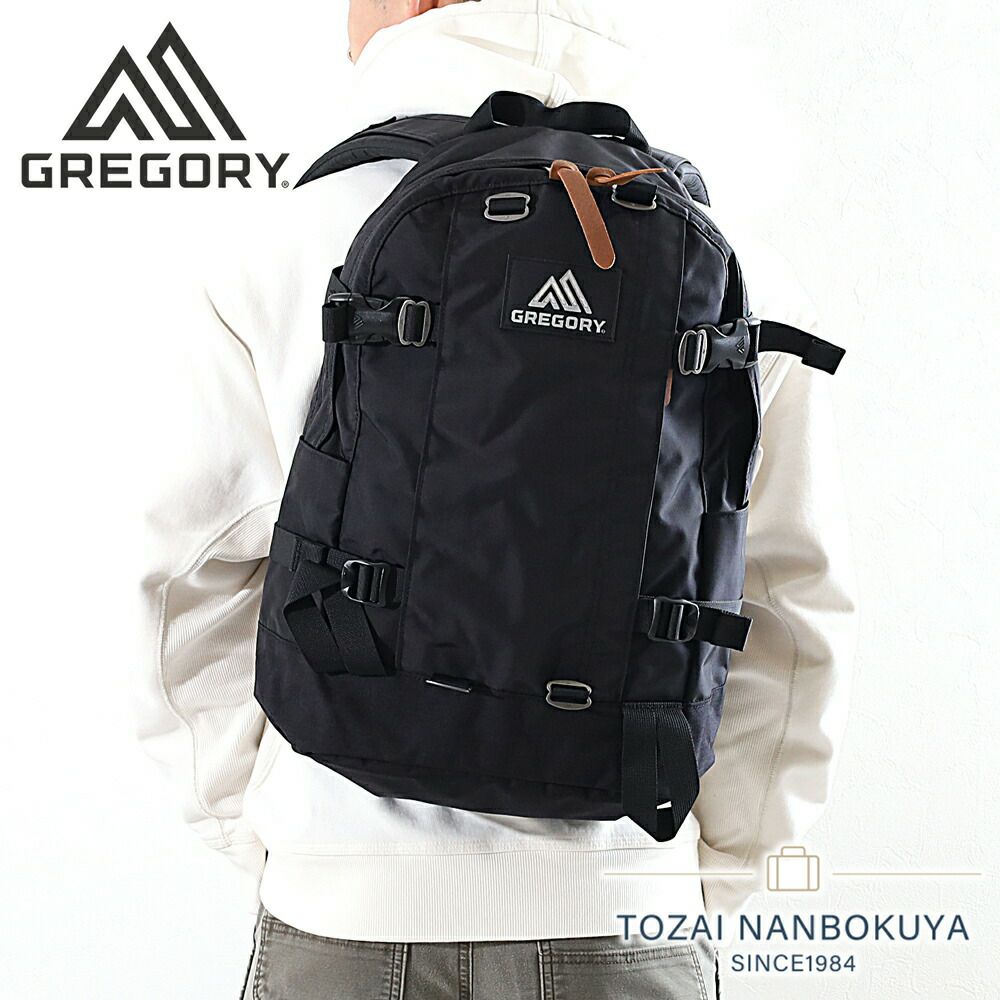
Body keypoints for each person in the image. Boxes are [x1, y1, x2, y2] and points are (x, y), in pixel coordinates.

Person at [137, 1, 856, 997]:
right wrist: (704, 870)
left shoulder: (280, 240)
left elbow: (183, 577)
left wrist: (276, 833)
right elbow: (788, 607)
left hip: (344, 906)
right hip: (621, 903)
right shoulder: (737, 265)